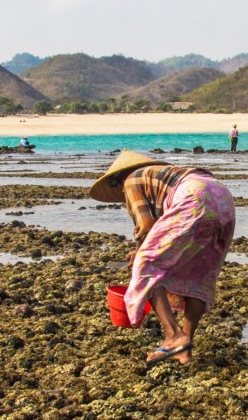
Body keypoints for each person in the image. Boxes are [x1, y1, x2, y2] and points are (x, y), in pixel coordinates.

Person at [90, 150, 236, 366]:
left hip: (194, 198)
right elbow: (163, 231)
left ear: (117, 180)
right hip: (223, 200)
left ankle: (173, 335)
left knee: (146, 266)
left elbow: (146, 226)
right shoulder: (159, 176)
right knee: (198, 277)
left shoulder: (131, 180)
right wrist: (142, 247)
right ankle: (183, 351)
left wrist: (140, 253)